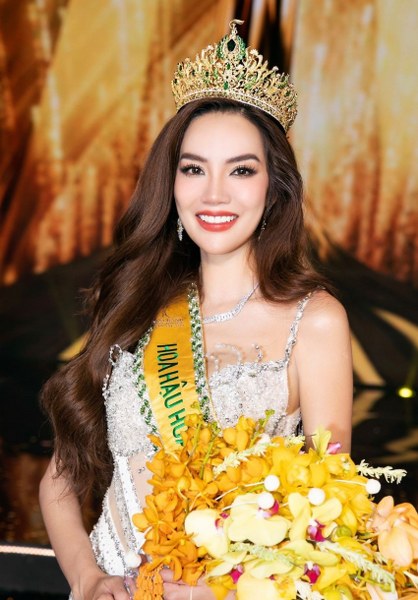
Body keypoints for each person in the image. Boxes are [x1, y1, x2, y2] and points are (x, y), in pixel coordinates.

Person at [39, 21, 353, 600]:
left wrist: (216, 589)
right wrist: (87, 578)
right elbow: (62, 476)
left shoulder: (315, 320)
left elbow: (327, 511)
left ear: (274, 188)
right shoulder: (134, 302)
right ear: (172, 182)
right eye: (193, 168)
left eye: (241, 170)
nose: (214, 193)